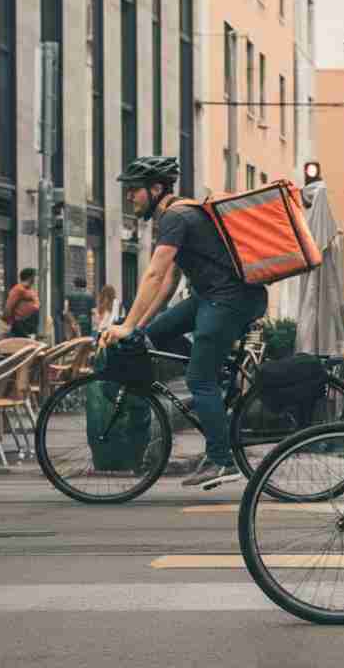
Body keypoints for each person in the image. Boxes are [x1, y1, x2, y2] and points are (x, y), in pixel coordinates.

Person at [99, 156, 268, 487]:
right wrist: (140, 328)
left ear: (156, 188)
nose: (129, 197)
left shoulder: (175, 216)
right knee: (149, 339)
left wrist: (126, 324)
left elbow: (154, 272)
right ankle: (211, 390)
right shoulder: (180, 215)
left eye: (134, 190)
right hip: (209, 297)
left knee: (199, 379)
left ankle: (222, 460)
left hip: (227, 300)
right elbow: (168, 283)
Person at [3, 268, 40, 338]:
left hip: (30, 323)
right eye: (34, 276)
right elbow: (9, 306)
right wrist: (10, 322)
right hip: (21, 324)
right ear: (30, 277)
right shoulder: (18, 289)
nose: (35, 279)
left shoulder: (29, 289)